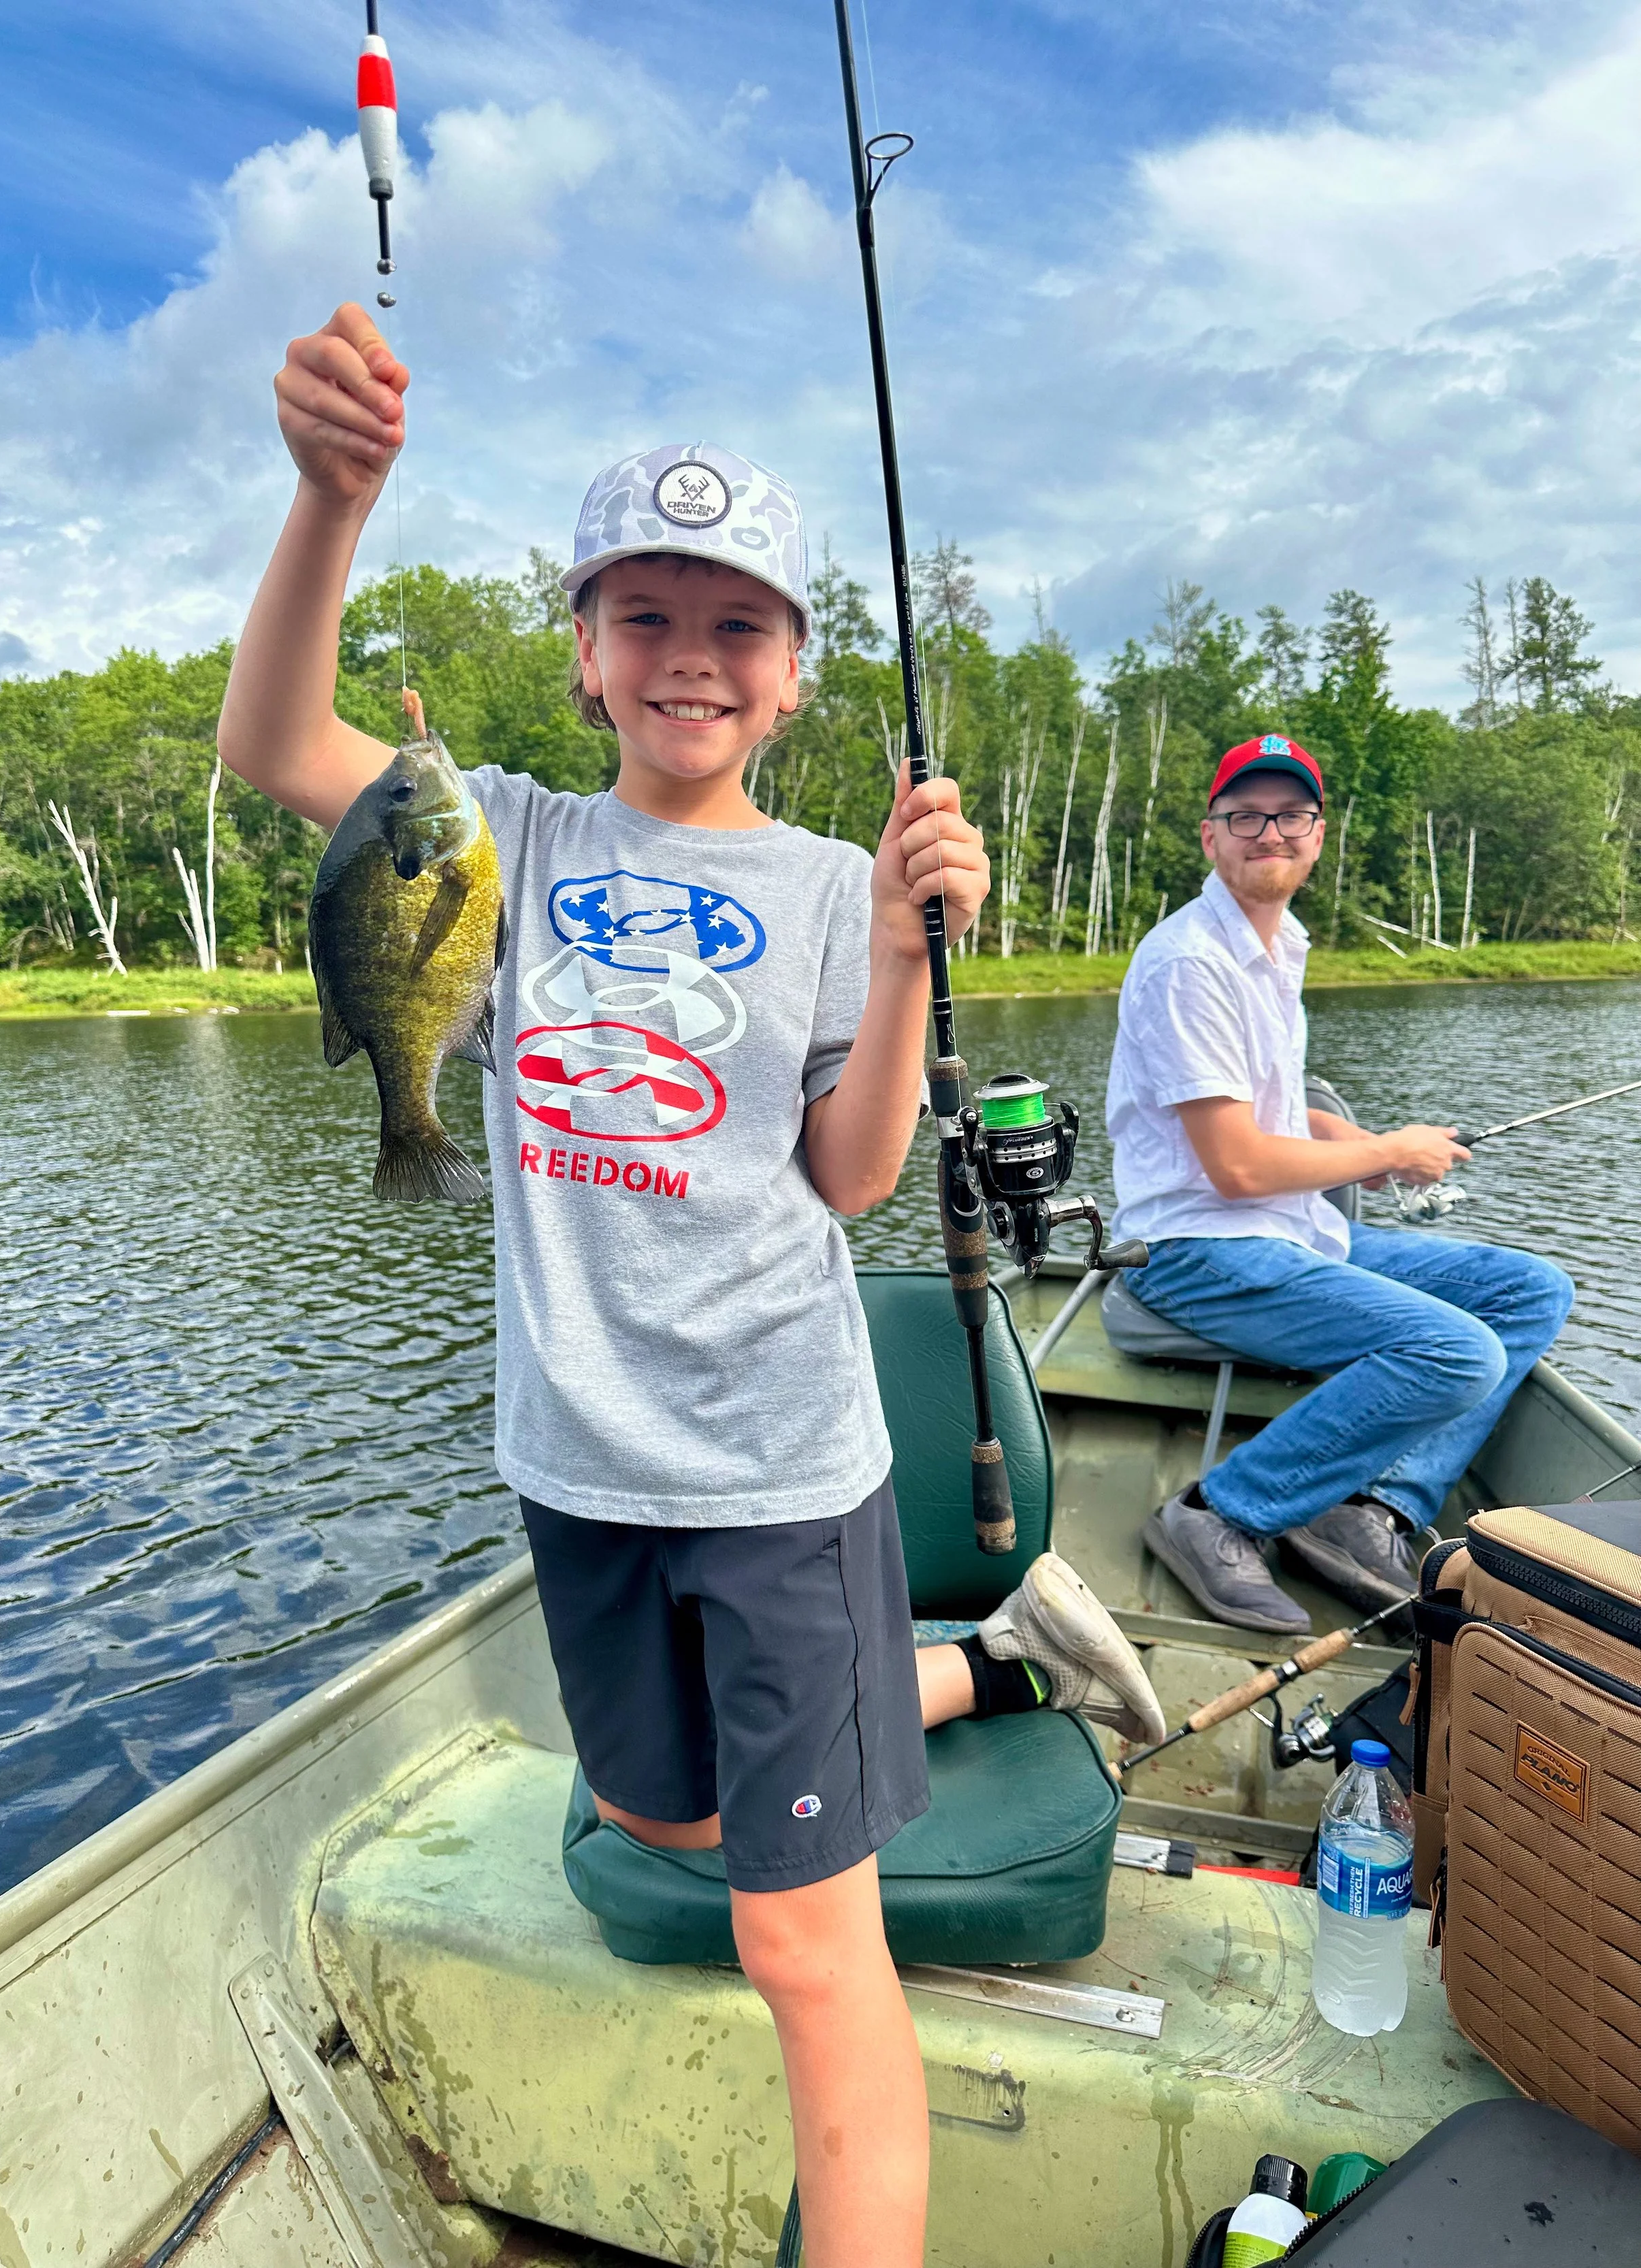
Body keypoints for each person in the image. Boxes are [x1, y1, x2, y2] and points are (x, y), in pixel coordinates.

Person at [218, 303, 1164, 2268]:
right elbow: (270, 744)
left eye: (734, 622)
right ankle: (992, 1659)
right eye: (641, 615)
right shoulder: (505, 841)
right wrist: (329, 502)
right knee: (654, 1818)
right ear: (581, 654)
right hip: (576, 1463)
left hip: (774, 1470)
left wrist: (908, 951)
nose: (688, 656)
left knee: (801, 1940)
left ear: (796, 672)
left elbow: (852, 1173)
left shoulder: (830, 883)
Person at [1106, 733, 1575, 1637]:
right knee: (1457, 1354)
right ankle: (1218, 1513)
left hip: (1289, 1230)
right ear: (1211, 837)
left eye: (1290, 815)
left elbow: (1274, 1114)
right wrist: (1383, 1149)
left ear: (1317, 836)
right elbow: (1238, 1165)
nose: (1269, 832)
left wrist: (1367, 1144)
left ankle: (1370, 1507)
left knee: (1529, 1290)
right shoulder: (1189, 964)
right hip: (1198, 1250)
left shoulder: (1279, 947)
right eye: (1246, 816)